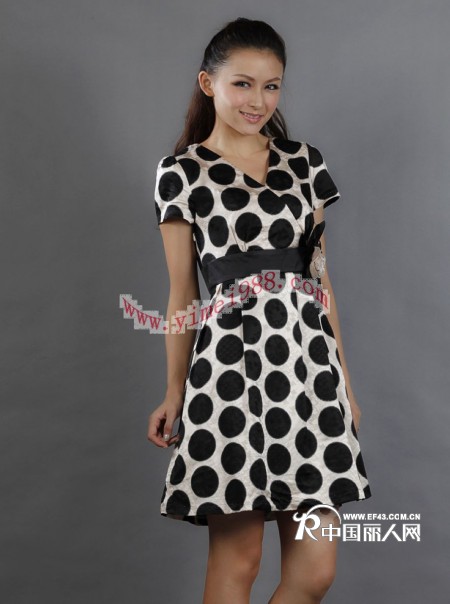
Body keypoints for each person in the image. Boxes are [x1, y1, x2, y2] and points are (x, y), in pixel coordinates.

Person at [148, 17, 372, 604]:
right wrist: (174, 392)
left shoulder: (305, 164)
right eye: (242, 84)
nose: (258, 101)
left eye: (271, 86)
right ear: (208, 84)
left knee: (315, 572)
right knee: (239, 561)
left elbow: (321, 282)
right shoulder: (181, 173)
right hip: (227, 376)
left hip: (307, 375)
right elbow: (182, 295)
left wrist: (345, 385)